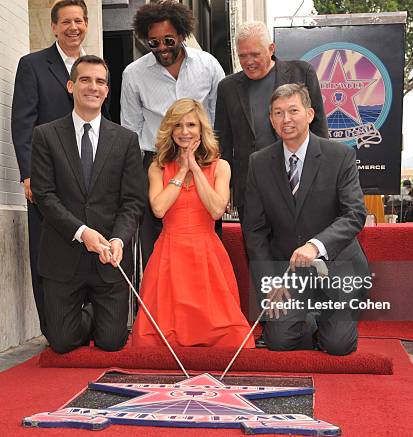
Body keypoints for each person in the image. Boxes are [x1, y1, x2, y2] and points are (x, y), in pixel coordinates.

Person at [243, 83, 368, 355]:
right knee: (278, 342)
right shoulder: (259, 163)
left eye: (293, 111)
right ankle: (309, 321)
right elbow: (255, 231)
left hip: (335, 267)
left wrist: (316, 246)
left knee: (338, 345)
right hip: (290, 273)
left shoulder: (340, 156)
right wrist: (270, 280)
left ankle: (332, 321)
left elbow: (355, 214)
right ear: (271, 119)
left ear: (310, 114)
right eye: (278, 113)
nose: (286, 119)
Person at [30, 55, 145, 354]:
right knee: (63, 342)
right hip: (63, 256)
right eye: (85, 80)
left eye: (100, 81)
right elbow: (45, 195)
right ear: (70, 86)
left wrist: (119, 238)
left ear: (107, 90)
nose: (93, 87)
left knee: (111, 342)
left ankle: (99, 312)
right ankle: (79, 316)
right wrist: (82, 232)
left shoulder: (126, 140)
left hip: (109, 260)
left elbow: (133, 200)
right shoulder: (45, 135)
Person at [11, 0, 108, 337]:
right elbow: (22, 124)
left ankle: (92, 323)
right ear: (53, 26)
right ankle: (53, 330)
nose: (73, 27)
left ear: (87, 25)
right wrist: (27, 175)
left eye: (79, 21)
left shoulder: (94, 68)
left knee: (92, 248)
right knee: (47, 252)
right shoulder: (33, 65)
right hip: (46, 179)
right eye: (65, 21)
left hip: (87, 180)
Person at [131, 99, 254, 348]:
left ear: (201, 129)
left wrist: (195, 169)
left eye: (191, 125)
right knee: (150, 342)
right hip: (169, 252)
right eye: (178, 125)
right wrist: (180, 171)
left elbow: (217, 209)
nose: (185, 131)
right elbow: (159, 208)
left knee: (230, 339)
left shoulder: (221, 167)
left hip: (206, 253)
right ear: (170, 130)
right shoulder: (157, 167)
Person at [121, 0, 225, 267]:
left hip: (202, 162)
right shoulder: (133, 74)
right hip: (156, 163)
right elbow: (130, 130)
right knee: (156, 251)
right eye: (153, 42)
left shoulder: (209, 66)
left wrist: (209, 162)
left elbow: (218, 117)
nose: (162, 48)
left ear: (181, 34)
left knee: (205, 244)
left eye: (168, 39)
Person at [215, 21, 328, 221]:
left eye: (255, 54)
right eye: (242, 55)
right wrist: (223, 188)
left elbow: (319, 129)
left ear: (271, 49)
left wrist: (323, 180)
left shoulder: (301, 73)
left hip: (298, 183)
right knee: (257, 247)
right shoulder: (227, 88)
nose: (249, 61)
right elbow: (223, 143)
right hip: (250, 188)